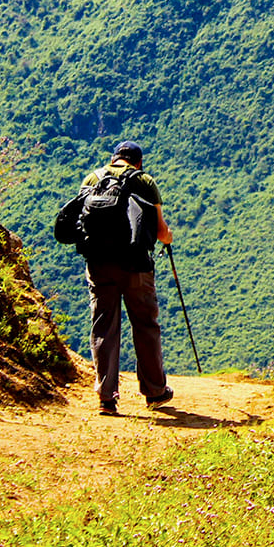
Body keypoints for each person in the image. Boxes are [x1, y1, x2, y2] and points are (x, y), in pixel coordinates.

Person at [81, 139, 173, 415]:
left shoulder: (92, 178)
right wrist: (169, 238)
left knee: (104, 326)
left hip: (99, 264)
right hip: (136, 265)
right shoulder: (144, 181)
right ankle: (155, 392)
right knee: (145, 325)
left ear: (113, 159)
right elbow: (160, 231)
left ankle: (106, 397)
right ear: (138, 162)